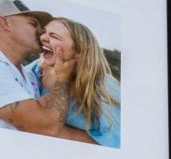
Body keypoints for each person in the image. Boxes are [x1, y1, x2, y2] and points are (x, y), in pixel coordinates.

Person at [28, 17, 118, 147]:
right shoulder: (32, 71)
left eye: (54, 36)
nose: (43, 37)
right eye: (43, 32)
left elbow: (114, 143)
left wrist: (48, 129)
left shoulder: (103, 85)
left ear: (78, 51)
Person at [0, 0, 44, 131]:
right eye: (33, 24)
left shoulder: (30, 74)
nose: (42, 32)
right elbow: (41, 124)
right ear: (5, 23)